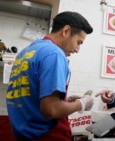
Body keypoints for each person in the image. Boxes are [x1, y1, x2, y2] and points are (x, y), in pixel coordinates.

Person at [5, 11, 94, 141]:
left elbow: (32, 95)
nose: (77, 49)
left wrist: (65, 101)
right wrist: (82, 103)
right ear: (66, 31)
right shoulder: (54, 54)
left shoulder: (26, 52)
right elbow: (51, 110)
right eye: (79, 42)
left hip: (23, 134)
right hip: (47, 135)